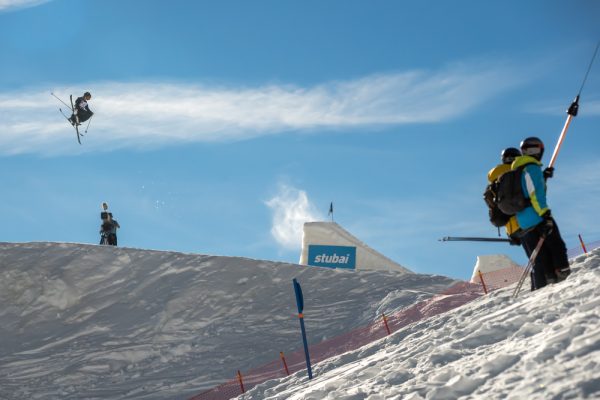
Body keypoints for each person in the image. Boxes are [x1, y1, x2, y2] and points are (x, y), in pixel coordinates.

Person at [512, 137, 570, 290]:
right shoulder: (532, 168)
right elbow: (536, 194)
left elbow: (526, 190)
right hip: (537, 217)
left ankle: (549, 279)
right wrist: (545, 214)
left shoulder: (517, 170)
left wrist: (543, 177)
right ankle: (563, 274)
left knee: (541, 256)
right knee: (557, 246)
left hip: (523, 221)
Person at [485, 147, 522, 243]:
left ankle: (514, 235)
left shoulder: (494, 176)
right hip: (526, 222)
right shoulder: (520, 171)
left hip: (509, 226)